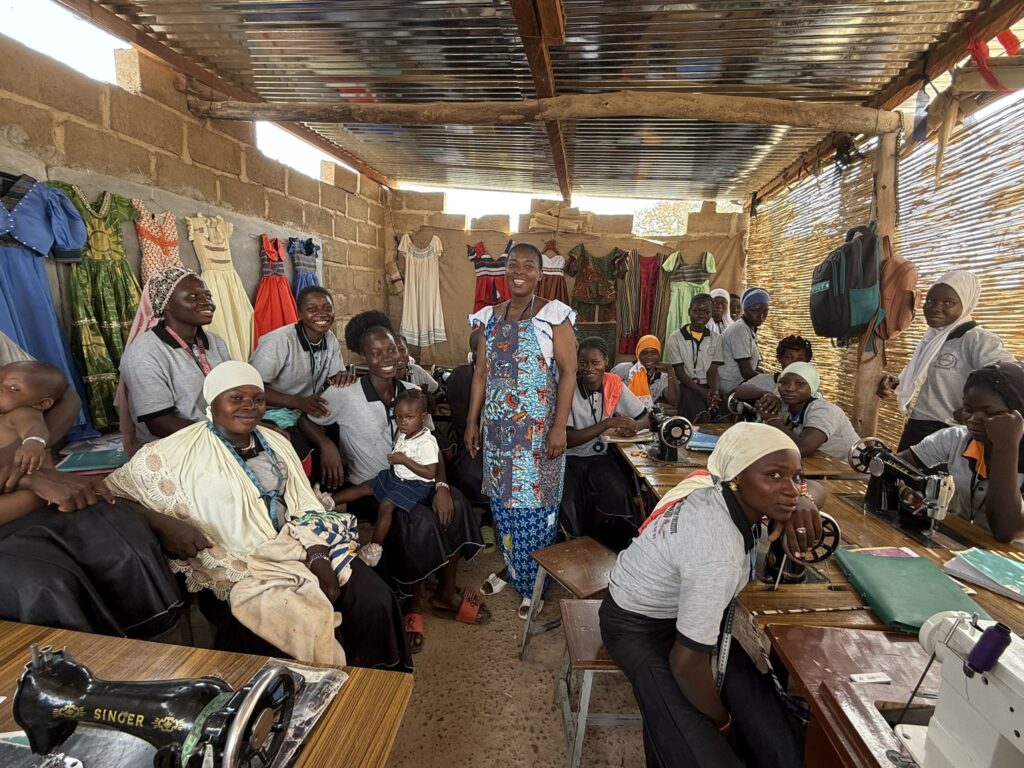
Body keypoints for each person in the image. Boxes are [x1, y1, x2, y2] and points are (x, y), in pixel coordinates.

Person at [106, 361, 411, 669]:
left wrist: (319, 555)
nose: (249, 406)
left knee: (374, 600)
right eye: (236, 398)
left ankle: (375, 685)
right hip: (236, 562)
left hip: (299, 542)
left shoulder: (276, 442)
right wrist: (161, 523)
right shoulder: (174, 452)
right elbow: (109, 492)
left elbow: (304, 503)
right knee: (291, 625)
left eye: (258, 399)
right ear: (212, 400)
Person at [600, 423, 820, 767]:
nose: (790, 489)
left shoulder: (711, 489)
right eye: (774, 475)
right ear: (736, 479)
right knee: (696, 746)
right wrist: (723, 721)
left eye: (795, 477)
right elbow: (686, 664)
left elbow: (815, 489)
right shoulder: (717, 549)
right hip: (636, 627)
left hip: (690, 618)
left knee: (778, 740)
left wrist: (805, 501)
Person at [312, 311, 487, 652]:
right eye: (376, 353)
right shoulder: (343, 393)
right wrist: (326, 444)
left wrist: (441, 487)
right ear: (362, 357)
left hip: (418, 479)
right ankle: (412, 604)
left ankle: (445, 591)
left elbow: (431, 446)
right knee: (417, 520)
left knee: (457, 503)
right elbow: (307, 418)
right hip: (374, 486)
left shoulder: (410, 391)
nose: (387, 358)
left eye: (391, 349)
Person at [0, 333, 181, 636]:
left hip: (24, 492)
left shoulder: (17, 404)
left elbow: (65, 396)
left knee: (116, 531)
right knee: (45, 584)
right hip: (18, 503)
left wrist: (27, 451)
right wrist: (30, 480)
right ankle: (77, 657)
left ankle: (153, 639)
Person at [465, 242, 576, 619]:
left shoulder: (554, 316)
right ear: (505, 269)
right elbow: (481, 373)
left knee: (534, 509)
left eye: (529, 266)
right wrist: (472, 421)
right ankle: (513, 571)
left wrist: (559, 427)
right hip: (498, 433)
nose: (520, 271)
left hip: (536, 434)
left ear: (540, 274)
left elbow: (569, 373)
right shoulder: (490, 316)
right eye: (514, 264)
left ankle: (534, 587)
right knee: (503, 507)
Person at [889, 362, 1024, 543]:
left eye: (989, 412)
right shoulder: (956, 439)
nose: (973, 419)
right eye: (968, 409)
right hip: (960, 541)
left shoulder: (1008, 449)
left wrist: (1006, 446)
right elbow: (892, 465)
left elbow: (1005, 530)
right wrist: (905, 490)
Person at [878, 270, 1012, 451]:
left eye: (948, 302)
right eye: (930, 301)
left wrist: (976, 411)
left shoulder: (976, 340)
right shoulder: (933, 339)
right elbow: (928, 380)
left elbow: (1009, 377)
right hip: (916, 426)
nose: (935, 307)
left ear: (966, 304)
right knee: (901, 468)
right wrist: (896, 382)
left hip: (949, 432)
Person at [250, 285, 348, 487]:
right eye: (312, 309)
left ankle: (333, 491)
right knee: (304, 450)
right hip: (274, 412)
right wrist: (298, 402)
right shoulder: (279, 341)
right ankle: (305, 495)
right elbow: (252, 389)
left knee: (345, 435)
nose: (322, 314)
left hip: (308, 408)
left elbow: (334, 377)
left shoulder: (330, 339)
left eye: (327, 308)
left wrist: (342, 378)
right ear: (300, 314)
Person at [119, 267, 230, 442]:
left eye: (208, 296)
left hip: (223, 431)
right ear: (165, 303)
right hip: (175, 445)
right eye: (193, 296)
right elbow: (159, 423)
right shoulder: (144, 353)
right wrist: (223, 435)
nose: (207, 302)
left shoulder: (215, 341)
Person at [332, 389, 439, 568]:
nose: (402, 422)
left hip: (415, 484)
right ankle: (326, 502)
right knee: (366, 486)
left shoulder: (426, 442)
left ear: (423, 417)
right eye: (398, 417)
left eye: (409, 417)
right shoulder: (407, 433)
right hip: (398, 477)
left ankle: (374, 550)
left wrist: (403, 460)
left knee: (386, 505)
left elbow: (430, 473)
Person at [562, 336, 649, 550]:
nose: (589, 368)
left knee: (617, 490)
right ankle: (576, 545)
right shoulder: (568, 388)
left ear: (606, 362)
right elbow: (568, 440)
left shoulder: (614, 385)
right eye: (583, 363)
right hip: (569, 458)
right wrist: (607, 423)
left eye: (595, 362)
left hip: (599, 456)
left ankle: (609, 545)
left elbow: (646, 417)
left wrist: (633, 426)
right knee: (569, 500)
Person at [0, 361, 68, 518]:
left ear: (42, 403)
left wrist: (33, 443)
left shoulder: (23, 413)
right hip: (12, 482)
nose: (1, 389)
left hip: (29, 487)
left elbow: (34, 428)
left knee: (32, 499)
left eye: (14, 388)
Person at [758, 362, 860, 460]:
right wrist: (769, 396)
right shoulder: (782, 404)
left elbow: (803, 448)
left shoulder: (825, 411)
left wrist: (772, 419)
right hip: (819, 465)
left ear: (812, 387)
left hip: (849, 469)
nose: (790, 388)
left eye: (799, 384)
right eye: (783, 383)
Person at [665, 294, 721, 421]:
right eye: (696, 311)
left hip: (706, 385)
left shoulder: (716, 338)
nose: (700, 315)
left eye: (706, 312)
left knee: (721, 405)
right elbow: (679, 372)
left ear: (711, 314)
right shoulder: (675, 338)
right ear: (689, 311)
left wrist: (714, 392)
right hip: (685, 385)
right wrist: (702, 392)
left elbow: (713, 370)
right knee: (695, 404)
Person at [716, 287, 770, 398]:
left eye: (765, 311)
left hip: (741, 383)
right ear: (745, 310)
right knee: (775, 394)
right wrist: (771, 379)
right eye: (755, 310)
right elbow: (747, 372)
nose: (761, 315)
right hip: (731, 387)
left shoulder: (748, 328)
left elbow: (753, 367)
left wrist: (767, 376)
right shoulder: (739, 330)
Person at [733, 335, 813, 401]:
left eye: (800, 359)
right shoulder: (768, 380)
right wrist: (768, 394)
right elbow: (740, 390)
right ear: (779, 359)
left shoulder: (810, 386)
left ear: (806, 362)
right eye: (789, 357)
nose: (794, 363)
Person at [610, 334, 680, 410]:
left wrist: (670, 370)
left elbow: (674, 401)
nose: (649, 356)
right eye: (644, 353)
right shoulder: (624, 369)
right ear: (638, 354)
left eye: (654, 353)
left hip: (645, 414)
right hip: (620, 412)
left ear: (659, 355)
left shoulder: (661, 377)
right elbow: (607, 391)